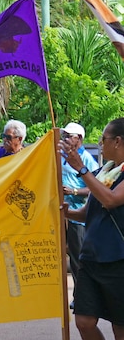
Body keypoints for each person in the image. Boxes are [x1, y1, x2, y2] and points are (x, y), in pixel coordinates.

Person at [61, 117, 124, 340]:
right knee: (84, 322)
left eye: (103, 140)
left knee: (120, 329)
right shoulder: (106, 170)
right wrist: (65, 212)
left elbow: (111, 200)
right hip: (91, 258)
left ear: (118, 142)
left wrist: (81, 170)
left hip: (118, 260)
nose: (100, 145)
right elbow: (89, 212)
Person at [61, 123, 99, 292]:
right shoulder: (62, 156)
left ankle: (80, 294)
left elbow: (95, 188)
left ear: (79, 139)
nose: (66, 139)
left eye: (70, 136)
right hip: (61, 211)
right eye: (65, 136)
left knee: (77, 258)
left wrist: (74, 191)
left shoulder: (88, 161)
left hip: (78, 214)